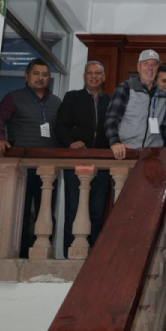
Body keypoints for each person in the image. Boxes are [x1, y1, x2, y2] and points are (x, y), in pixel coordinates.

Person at [0, 58, 62, 258]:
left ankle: (42, 255)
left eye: (45, 75)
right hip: (22, 167)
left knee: (45, 213)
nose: (41, 78)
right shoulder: (13, 98)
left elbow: (64, 130)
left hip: (48, 168)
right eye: (36, 74)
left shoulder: (56, 102)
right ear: (27, 76)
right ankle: (19, 255)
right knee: (20, 213)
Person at [55, 61, 112, 258]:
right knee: (73, 208)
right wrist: (70, 143)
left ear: (104, 77)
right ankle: (70, 255)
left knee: (97, 211)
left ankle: (93, 258)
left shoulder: (110, 101)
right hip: (76, 163)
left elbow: (116, 128)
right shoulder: (72, 97)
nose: (94, 76)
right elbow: (60, 126)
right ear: (84, 76)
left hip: (102, 165)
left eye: (98, 73)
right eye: (90, 73)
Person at [105, 49, 166, 159]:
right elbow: (111, 119)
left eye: (154, 64)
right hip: (127, 152)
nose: (150, 68)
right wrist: (115, 142)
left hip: (153, 156)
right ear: (138, 67)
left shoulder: (163, 96)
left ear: (157, 68)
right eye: (146, 63)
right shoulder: (125, 88)